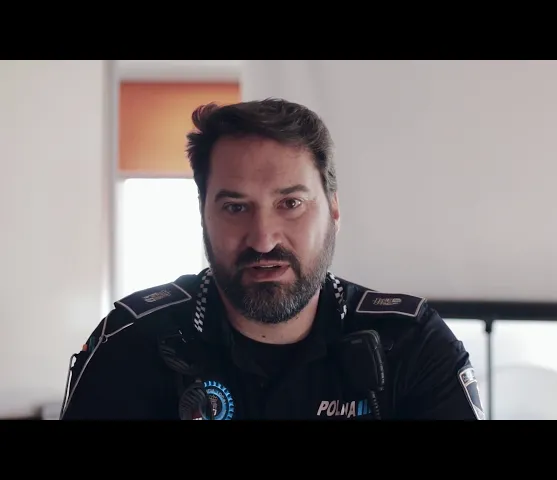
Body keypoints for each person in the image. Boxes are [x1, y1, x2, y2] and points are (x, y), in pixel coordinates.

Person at [60, 98, 484, 420]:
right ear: (203, 215)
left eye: (291, 203)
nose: (263, 240)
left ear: (334, 210)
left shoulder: (409, 345)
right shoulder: (132, 345)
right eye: (235, 207)